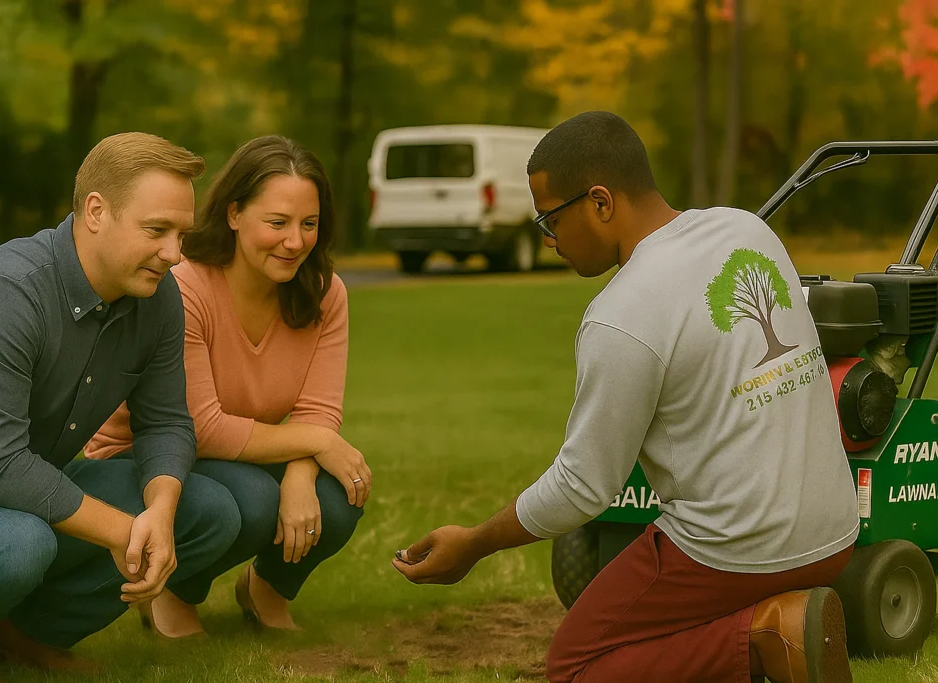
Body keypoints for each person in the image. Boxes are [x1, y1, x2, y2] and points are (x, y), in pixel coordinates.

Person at [392, 111, 859, 683]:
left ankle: (769, 631)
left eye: (550, 218)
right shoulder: (747, 230)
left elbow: (583, 488)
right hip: (835, 534)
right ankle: (782, 630)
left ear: (601, 202)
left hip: (736, 549)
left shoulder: (621, 315)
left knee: (575, 666)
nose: (547, 238)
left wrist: (473, 543)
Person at [0, 132, 243, 683]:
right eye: (156, 230)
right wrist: (122, 530)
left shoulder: (157, 295)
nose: (174, 254)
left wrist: (158, 513)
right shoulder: (7, 292)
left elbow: (165, 421)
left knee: (204, 510)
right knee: (18, 544)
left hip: (20, 487)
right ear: (96, 211)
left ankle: (19, 634)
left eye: (180, 234)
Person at [86, 135, 369, 638]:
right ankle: (175, 592)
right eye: (277, 223)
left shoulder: (326, 293)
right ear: (235, 214)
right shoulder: (186, 287)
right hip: (145, 457)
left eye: (309, 224)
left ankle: (267, 589)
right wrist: (318, 443)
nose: (295, 241)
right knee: (257, 499)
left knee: (340, 492)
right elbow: (202, 427)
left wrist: (302, 475)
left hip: (232, 453)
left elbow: (317, 411)